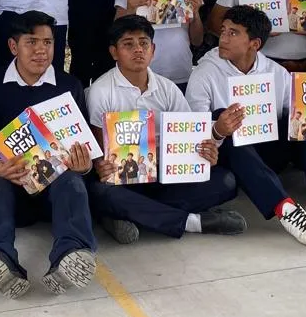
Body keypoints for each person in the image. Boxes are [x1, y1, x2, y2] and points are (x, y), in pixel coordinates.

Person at [187, 5, 306, 246]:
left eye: (233, 33)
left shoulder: (276, 72)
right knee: (223, 117)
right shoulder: (204, 73)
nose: (223, 38)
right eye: (223, 30)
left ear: (255, 44)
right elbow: (194, 134)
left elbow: (303, 121)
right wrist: (219, 129)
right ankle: (285, 208)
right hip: (231, 157)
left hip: (270, 151)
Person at [0, 11, 96, 298]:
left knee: (74, 182)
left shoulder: (69, 86)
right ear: (13, 46)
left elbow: (84, 143)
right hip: (11, 191)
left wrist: (84, 165)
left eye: (48, 43)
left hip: (54, 194)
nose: (41, 50)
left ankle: (71, 255)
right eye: (32, 42)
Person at [85, 16, 244, 244]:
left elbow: (191, 137)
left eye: (144, 43)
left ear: (153, 50)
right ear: (114, 52)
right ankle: (191, 222)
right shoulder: (101, 91)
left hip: (166, 175)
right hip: (126, 181)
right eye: (128, 44)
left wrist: (206, 152)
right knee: (100, 192)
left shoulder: (167, 88)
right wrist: (102, 165)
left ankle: (129, 214)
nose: (138, 50)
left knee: (225, 181)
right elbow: (100, 152)